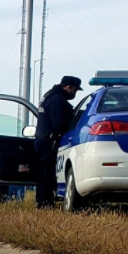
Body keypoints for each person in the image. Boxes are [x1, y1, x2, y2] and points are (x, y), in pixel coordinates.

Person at [34, 75, 82, 208]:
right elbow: (60, 124)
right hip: (49, 141)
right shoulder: (57, 100)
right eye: (75, 90)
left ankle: (42, 201)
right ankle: (45, 203)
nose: (74, 93)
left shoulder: (48, 96)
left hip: (42, 139)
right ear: (68, 87)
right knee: (48, 174)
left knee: (43, 172)